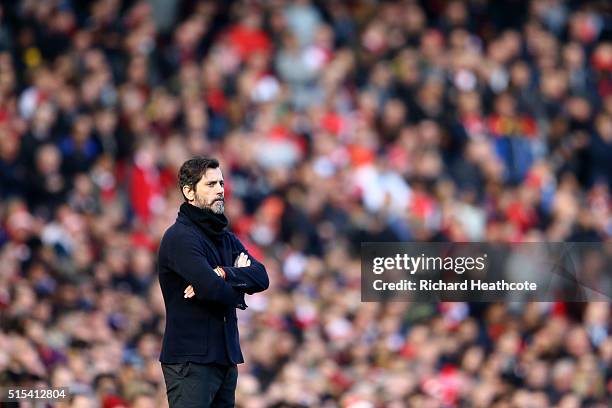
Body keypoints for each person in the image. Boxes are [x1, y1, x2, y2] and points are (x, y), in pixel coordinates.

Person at [157, 157, 269, 407]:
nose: (220, 189)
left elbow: (262, 277)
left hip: (225, 358)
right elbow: (211, 289)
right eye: (210, 184)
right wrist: (236, 286)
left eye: (221, 183)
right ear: (189, 191)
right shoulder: (180, 238)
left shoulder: (225, 238)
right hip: (191, 360)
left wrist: (223, 273)